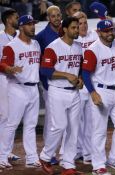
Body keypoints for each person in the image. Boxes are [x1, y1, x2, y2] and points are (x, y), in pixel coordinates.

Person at [81, 19, 115, 175]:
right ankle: (98, 166)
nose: (110, 33)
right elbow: (85, 73)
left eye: (111, 30)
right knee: (99, 130)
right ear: (98, 32)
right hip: (100, 91)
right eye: (106, 31)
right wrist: (92, 92)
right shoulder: (92, 49)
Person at [39, 17, 84, 175]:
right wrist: (66, 75)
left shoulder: (79, 47)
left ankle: (68, 165)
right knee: (59, 126)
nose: (77, 30)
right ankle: (45, 156)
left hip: (74, 93)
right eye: (73, 28)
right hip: (57, 91)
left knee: (74, 129)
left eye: (77, 27)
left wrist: (81, 80)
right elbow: (45, 70)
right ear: (64, 29)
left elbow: (80, 70)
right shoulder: (53, 47)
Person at [0, 15, 41, 169]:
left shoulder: (36, 44)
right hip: (17, 87)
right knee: (12, 124)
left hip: (33, 89)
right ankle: (2, 157)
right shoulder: (12, 46)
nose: (33, 27)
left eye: (34, 24)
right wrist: (9, 68)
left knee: (31, 125)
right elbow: (2, 64)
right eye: (30, 24)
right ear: (22, 27)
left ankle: (31, 157)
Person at [35, 5, 62, 165]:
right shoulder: (42, 36)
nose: (57, 18)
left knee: (65, 122)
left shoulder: (66, 31)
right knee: (52, 121)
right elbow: (39, 63)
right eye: (53, 16)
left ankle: (65, 153)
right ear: (48, 18)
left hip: (68, 84)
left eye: (58, 15)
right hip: (50, 84)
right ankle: (48, 153)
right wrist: (45, 83)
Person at [73, 11, 98, 165]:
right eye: (80, 23)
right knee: (75, 120)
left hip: (91, 82)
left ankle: (88, 153)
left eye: (85, 22)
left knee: (90, 121)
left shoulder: (94, 35)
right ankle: (74, 151)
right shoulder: (72, 39)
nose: (83, 26)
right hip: (77, 83)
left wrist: (104, 17)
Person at [0, 8, 21, 164]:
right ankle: (2, 152)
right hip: (3, 79)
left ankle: (7, 151)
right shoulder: (0, 38)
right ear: (8, 20)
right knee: (4, 116)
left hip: (17, 80)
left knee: (13, 116)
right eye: (16, 17)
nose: (18, 20)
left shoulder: (21, 37)